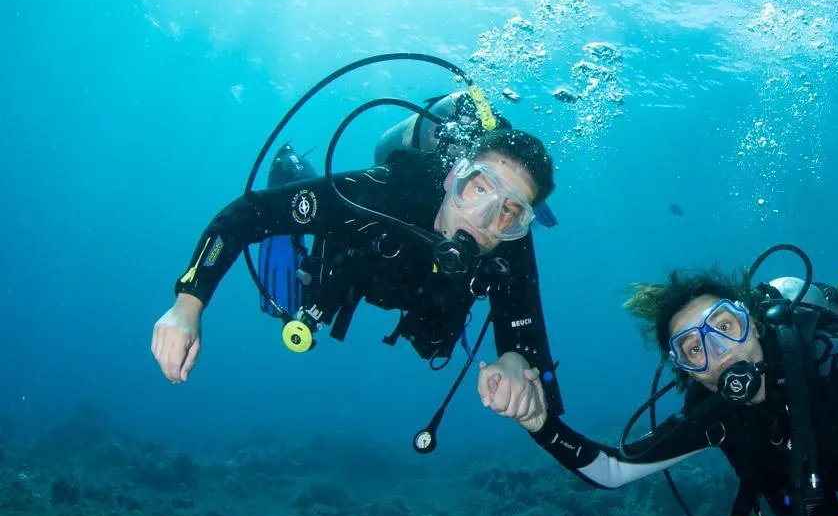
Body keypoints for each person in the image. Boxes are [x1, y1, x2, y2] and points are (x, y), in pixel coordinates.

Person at [478, 265, 838, 516]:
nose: (718, 354)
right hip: (832, 491)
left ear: (756, 325)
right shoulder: (714, 415)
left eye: (725, 327)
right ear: (687, 371)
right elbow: (612, 471)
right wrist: (540, 423)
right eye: (693, 350)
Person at [150, 99, 565, 428]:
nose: (484, 218)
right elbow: (244, 215)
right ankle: (292, 170)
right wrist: (188, 303)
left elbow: (524, 328)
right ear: (453, 175)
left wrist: (518, 366)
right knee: (297, 278)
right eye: (479, 188)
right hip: (350, 267)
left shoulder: (508, 244)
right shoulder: (375, 195)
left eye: (510, 211)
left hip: (411, 290)